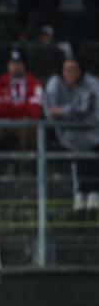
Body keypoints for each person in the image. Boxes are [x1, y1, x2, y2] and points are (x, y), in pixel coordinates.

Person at [43, 57, 99, 210]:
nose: (71, 73)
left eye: (74, 69)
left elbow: (84, 109)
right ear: (62, 72)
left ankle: (93, 193)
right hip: (68, 135)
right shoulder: (55, 84)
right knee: (77, 157)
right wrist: (68, 113)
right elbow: (49, 111)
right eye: (67, 69)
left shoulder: (90, 84)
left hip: (93, 132)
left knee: (91, 157)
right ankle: (80, 193)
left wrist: (61, 111)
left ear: (80, 72)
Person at [0, 48, 42, 150]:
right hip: (2, 124)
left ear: (24, 65)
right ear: (8, 65)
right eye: (12, 63)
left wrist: (7, 105)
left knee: (27, 125)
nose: (15, 66)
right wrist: (22, 107)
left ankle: (27, 164)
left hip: (25, 124)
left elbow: (34, 111)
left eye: (19, 63)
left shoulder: (35, 84)